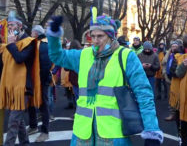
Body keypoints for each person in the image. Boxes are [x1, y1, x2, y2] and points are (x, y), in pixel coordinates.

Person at [47, 15, 163, 145]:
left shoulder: (126, 56)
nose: (96, 41)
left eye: (100, 36)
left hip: (113, 135)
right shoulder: (84, 55)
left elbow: (144, 93)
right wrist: (53, 36)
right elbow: (57, 56)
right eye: (93, 36)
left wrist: (151, 129)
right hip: (82, 134)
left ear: (111, 36)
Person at [0, 11, 40, 146]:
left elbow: (20, 59)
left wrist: (11, 45)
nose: (10, 28)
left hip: (22, 88)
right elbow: (2, 67)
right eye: (8, 25)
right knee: (18, 120)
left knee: (13, 122)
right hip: (10, 87)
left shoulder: (29, 42)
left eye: (12, 25)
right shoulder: (8, 44)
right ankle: (25, 142)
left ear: (20, 26)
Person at [27, 25, 52, 142]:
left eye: (32, 33)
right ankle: (33, 126)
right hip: (35, 79)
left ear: (36, 34)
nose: (31, 34)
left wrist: (40, 80)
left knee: (43, 104)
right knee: (32, 103)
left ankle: (45, 131)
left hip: (40, 79)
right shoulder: (38, 43)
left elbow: (46, 65)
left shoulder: (43, 45)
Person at [162, 40, 183, 121]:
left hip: (177, 79)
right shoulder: (169, 55)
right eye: (172, 46)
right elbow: (164, 63)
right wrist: (164, 73)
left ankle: (178, 114)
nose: (173, 47)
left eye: (175, 46)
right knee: (171, 97)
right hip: (168, 77)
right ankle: (172, 114)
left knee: (177, 97)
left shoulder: (180, 55)